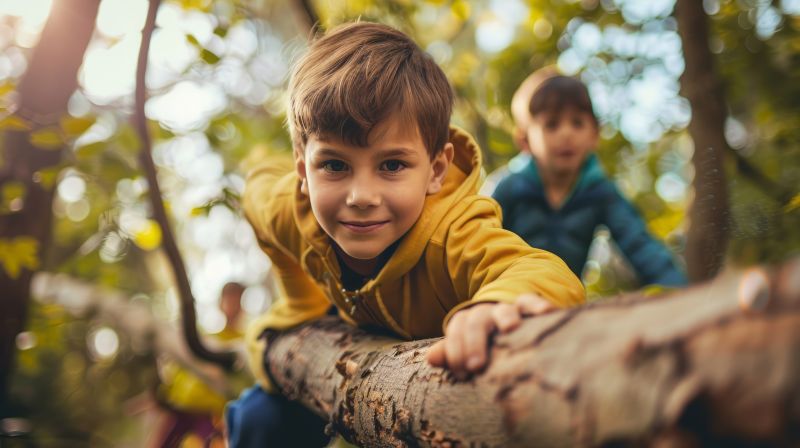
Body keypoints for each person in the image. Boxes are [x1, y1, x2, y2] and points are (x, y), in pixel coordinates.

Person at [225, 22, 585, 447]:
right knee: (257, 419)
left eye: (392, 165)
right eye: (335, 165)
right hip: (338, 344)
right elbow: (257, 193)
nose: (361, 196)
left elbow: (540, 269)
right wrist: (301, 305)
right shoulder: (288, 208)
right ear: (303, 170)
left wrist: (494, 306)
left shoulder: (451, 230)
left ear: (435, 171)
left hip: (430, 389)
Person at [490, 67, 687, 287]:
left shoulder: (600, 191)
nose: (566, 134)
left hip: (564, 301)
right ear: (525, 141)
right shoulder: (509, 188)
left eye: (577, 123)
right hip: (507, 295)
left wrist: (676, 288)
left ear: (595, 134)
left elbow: (639, 245)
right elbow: (478, 244)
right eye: (552, 124)